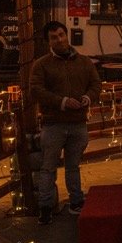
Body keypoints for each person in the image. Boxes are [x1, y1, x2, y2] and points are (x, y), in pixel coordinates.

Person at [28, 20, 101, 224]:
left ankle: (76, 201)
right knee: (48, 167)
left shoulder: (84, 62)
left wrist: (88, 97)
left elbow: (96, 84)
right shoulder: (41, 64)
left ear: (66, 35)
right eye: (54, 37)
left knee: (73, 166)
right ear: (48, 42)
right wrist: (61, 102)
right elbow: (36, 90)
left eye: (61, 35)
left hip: (78, 123)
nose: (59, 39)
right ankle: (45, 207)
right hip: (54, 124)